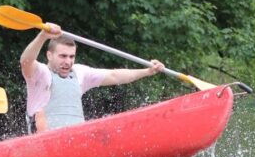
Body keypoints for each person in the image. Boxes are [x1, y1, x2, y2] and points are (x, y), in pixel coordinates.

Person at [20, 23, 164, 132]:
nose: (68, 61)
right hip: (44, 143)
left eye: (71, 56)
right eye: (63, 56)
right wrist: (43, 36)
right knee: (40, 118)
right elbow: (26, 61)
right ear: (49, 55)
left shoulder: (79, 72)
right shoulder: (40, 73)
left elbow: (114, 76)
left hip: (75, 141)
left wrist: (147, 71)